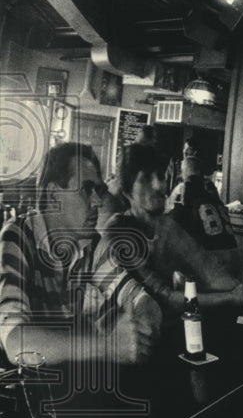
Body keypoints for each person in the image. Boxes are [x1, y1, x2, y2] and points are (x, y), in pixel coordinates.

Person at [0, 143, 154, 365]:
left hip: (59, 386)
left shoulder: (89, 243)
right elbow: (16, 343)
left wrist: (140, 332)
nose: (98, 202)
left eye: (99, 191)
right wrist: (107, 346)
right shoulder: (18, 236)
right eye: (86, 189)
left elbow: (141, 299)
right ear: (53, 195)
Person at [94, 144, 242, 319]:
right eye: (145, 179)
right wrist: (230, 298)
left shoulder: (165, 226)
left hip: (161, 328)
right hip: (126, 337)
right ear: (127, 191)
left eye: (160, 176)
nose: (158, 185)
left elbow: (209, 271)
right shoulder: (119, 232)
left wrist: (240, 289)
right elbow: (166, 299)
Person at [165, 157, 241, 278]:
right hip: (236, 262)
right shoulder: (213, 197)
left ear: (183, 174)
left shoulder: (185, 191)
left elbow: (170, 222)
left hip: (214, 267)